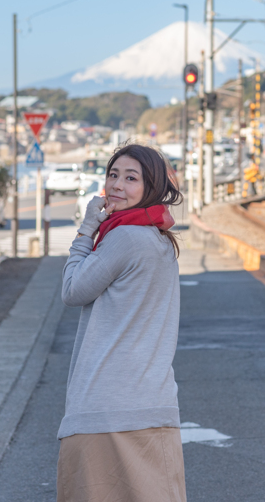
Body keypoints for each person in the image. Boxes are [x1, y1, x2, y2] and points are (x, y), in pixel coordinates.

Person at [57, 143, 186, 502]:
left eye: (131, 178)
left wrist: (86, 230)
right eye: (113, 174)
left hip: (106, 407)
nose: (117, 185)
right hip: (155, 404)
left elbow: (72, 290)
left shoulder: (123, 237)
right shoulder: (158, 239)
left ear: (151, 187)